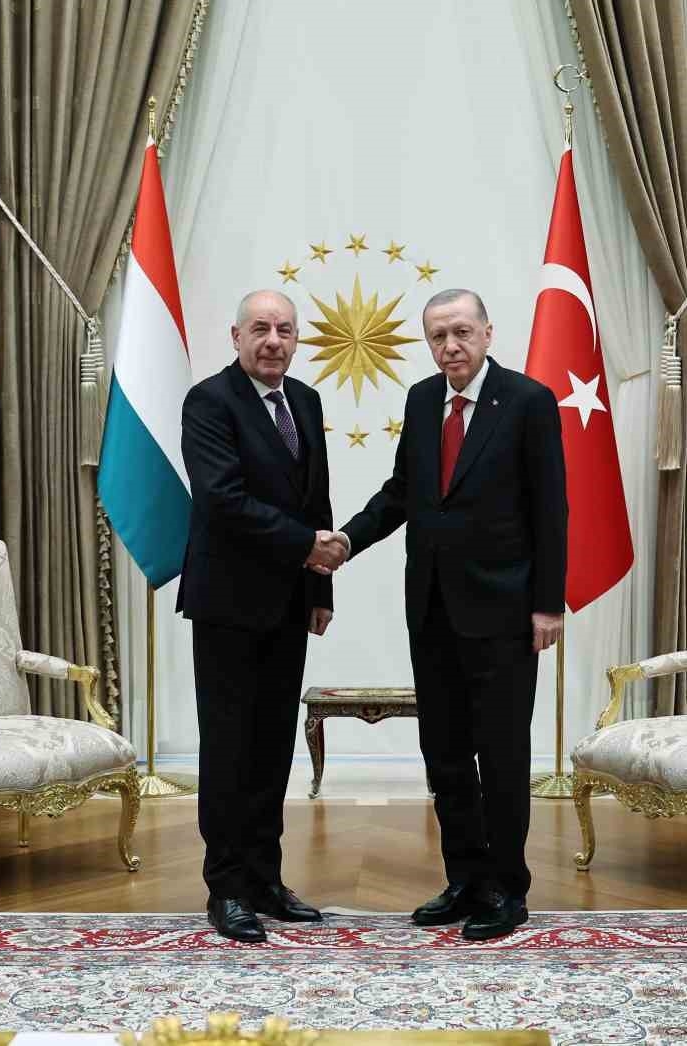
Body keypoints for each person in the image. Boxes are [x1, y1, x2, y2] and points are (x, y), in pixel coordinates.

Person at [334, 287, 566, 941]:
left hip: (505, 613)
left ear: (488, 333)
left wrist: (548, 603)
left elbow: (551, 507)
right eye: (438, 335)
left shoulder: (528, 401)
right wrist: (346, 541)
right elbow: (400, 493)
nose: (450, 346)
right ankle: (463, 879)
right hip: (433, 610)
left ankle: (506, 888)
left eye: (462, 332)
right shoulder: (420, 401)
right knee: (446, 755)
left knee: (501, 755)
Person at [178, 289, 348, 943]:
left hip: (287, 603)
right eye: (260, 328)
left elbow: (315, 497)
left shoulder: (305, 400)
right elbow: (221, 499)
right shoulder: (209, 402)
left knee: (274, 747)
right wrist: (306, 546)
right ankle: (226, 889)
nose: (273, 340)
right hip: (227, 603)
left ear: (296, 338)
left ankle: (265, 881)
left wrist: (320, 589)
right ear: (236, 336)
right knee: (229, 749)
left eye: (284, 329)